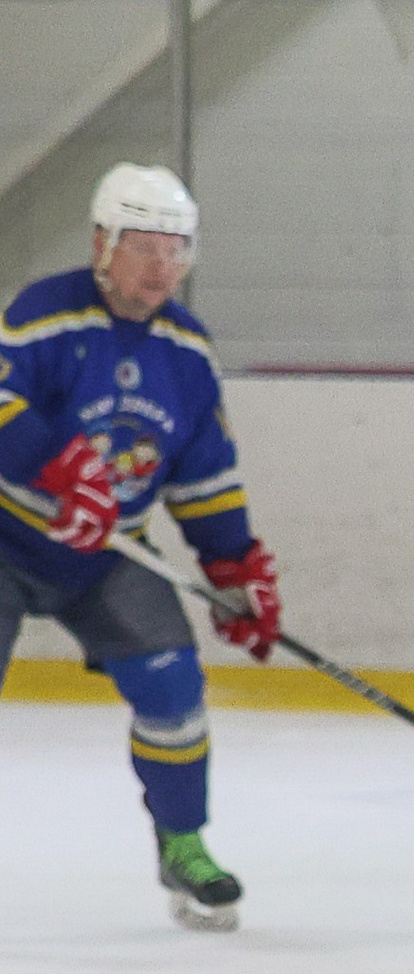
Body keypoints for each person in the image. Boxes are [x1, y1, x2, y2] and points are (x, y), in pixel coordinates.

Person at [0, 163, 283, 931]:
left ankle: (183, 844)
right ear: (103, 244)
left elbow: (203, 475)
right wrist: (58, 467)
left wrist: (232, 566)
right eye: (147, 247)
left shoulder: (188, 351)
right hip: (8, 538)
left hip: (108, 553)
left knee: (174, 689)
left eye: (178, 250)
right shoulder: (45, 314)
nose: (164, 267)